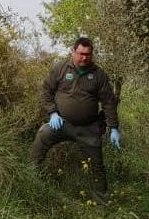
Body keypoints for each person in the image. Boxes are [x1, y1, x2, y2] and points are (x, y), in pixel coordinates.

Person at [33, 37, 121, 203]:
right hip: (61, 123)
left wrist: (114, 127)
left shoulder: (99, 74)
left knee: (97, 166)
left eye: (88, 54)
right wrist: (52, 113)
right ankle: (31, 177)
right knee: (42, 135)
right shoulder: (61, 68)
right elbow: (46, 92)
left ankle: (102, 203)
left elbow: (109, 102)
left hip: (88, 128)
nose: (84, 57)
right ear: (73, 52)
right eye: (81, 53)